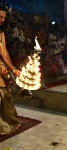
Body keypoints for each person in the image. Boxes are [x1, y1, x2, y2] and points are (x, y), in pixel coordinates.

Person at [0, 4, 22, 135]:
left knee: (5, 93)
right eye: (0, 17)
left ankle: (6, 120)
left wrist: (12, 67)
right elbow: (1, 54)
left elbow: (5, 51)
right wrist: (13, 70)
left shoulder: (1, 32)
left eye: (3, 17)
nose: (2, 20)